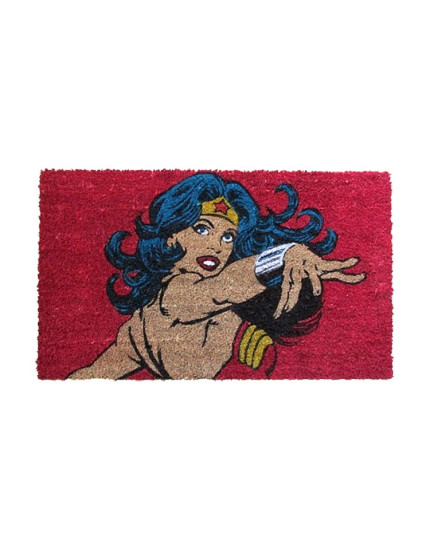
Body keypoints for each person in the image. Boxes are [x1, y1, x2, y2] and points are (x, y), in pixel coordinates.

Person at [69, 172, 365, 380]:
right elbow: (220, 290)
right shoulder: (161, 309)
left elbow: (227, 287)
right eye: (202, 229)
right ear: (171, 236)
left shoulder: (224, 301)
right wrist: (282, 256)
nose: (217, 245)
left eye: (228, 237)